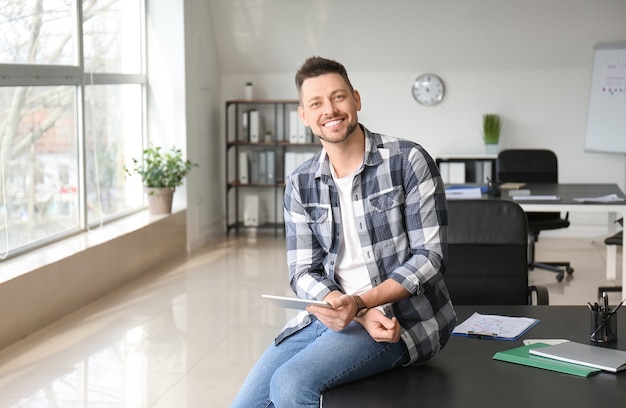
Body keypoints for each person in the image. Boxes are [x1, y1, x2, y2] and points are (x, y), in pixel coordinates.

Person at [231, 56, 456, 408]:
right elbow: (302, 271)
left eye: (338, 97)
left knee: (290, 387)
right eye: (316, 103)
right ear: (303, 116)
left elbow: (430, 257)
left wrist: (363, 305)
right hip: (329, 314)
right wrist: (344, 306)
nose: (330, 110)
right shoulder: (300, 183)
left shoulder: (408, 160)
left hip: (398, 320)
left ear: (356, 99)